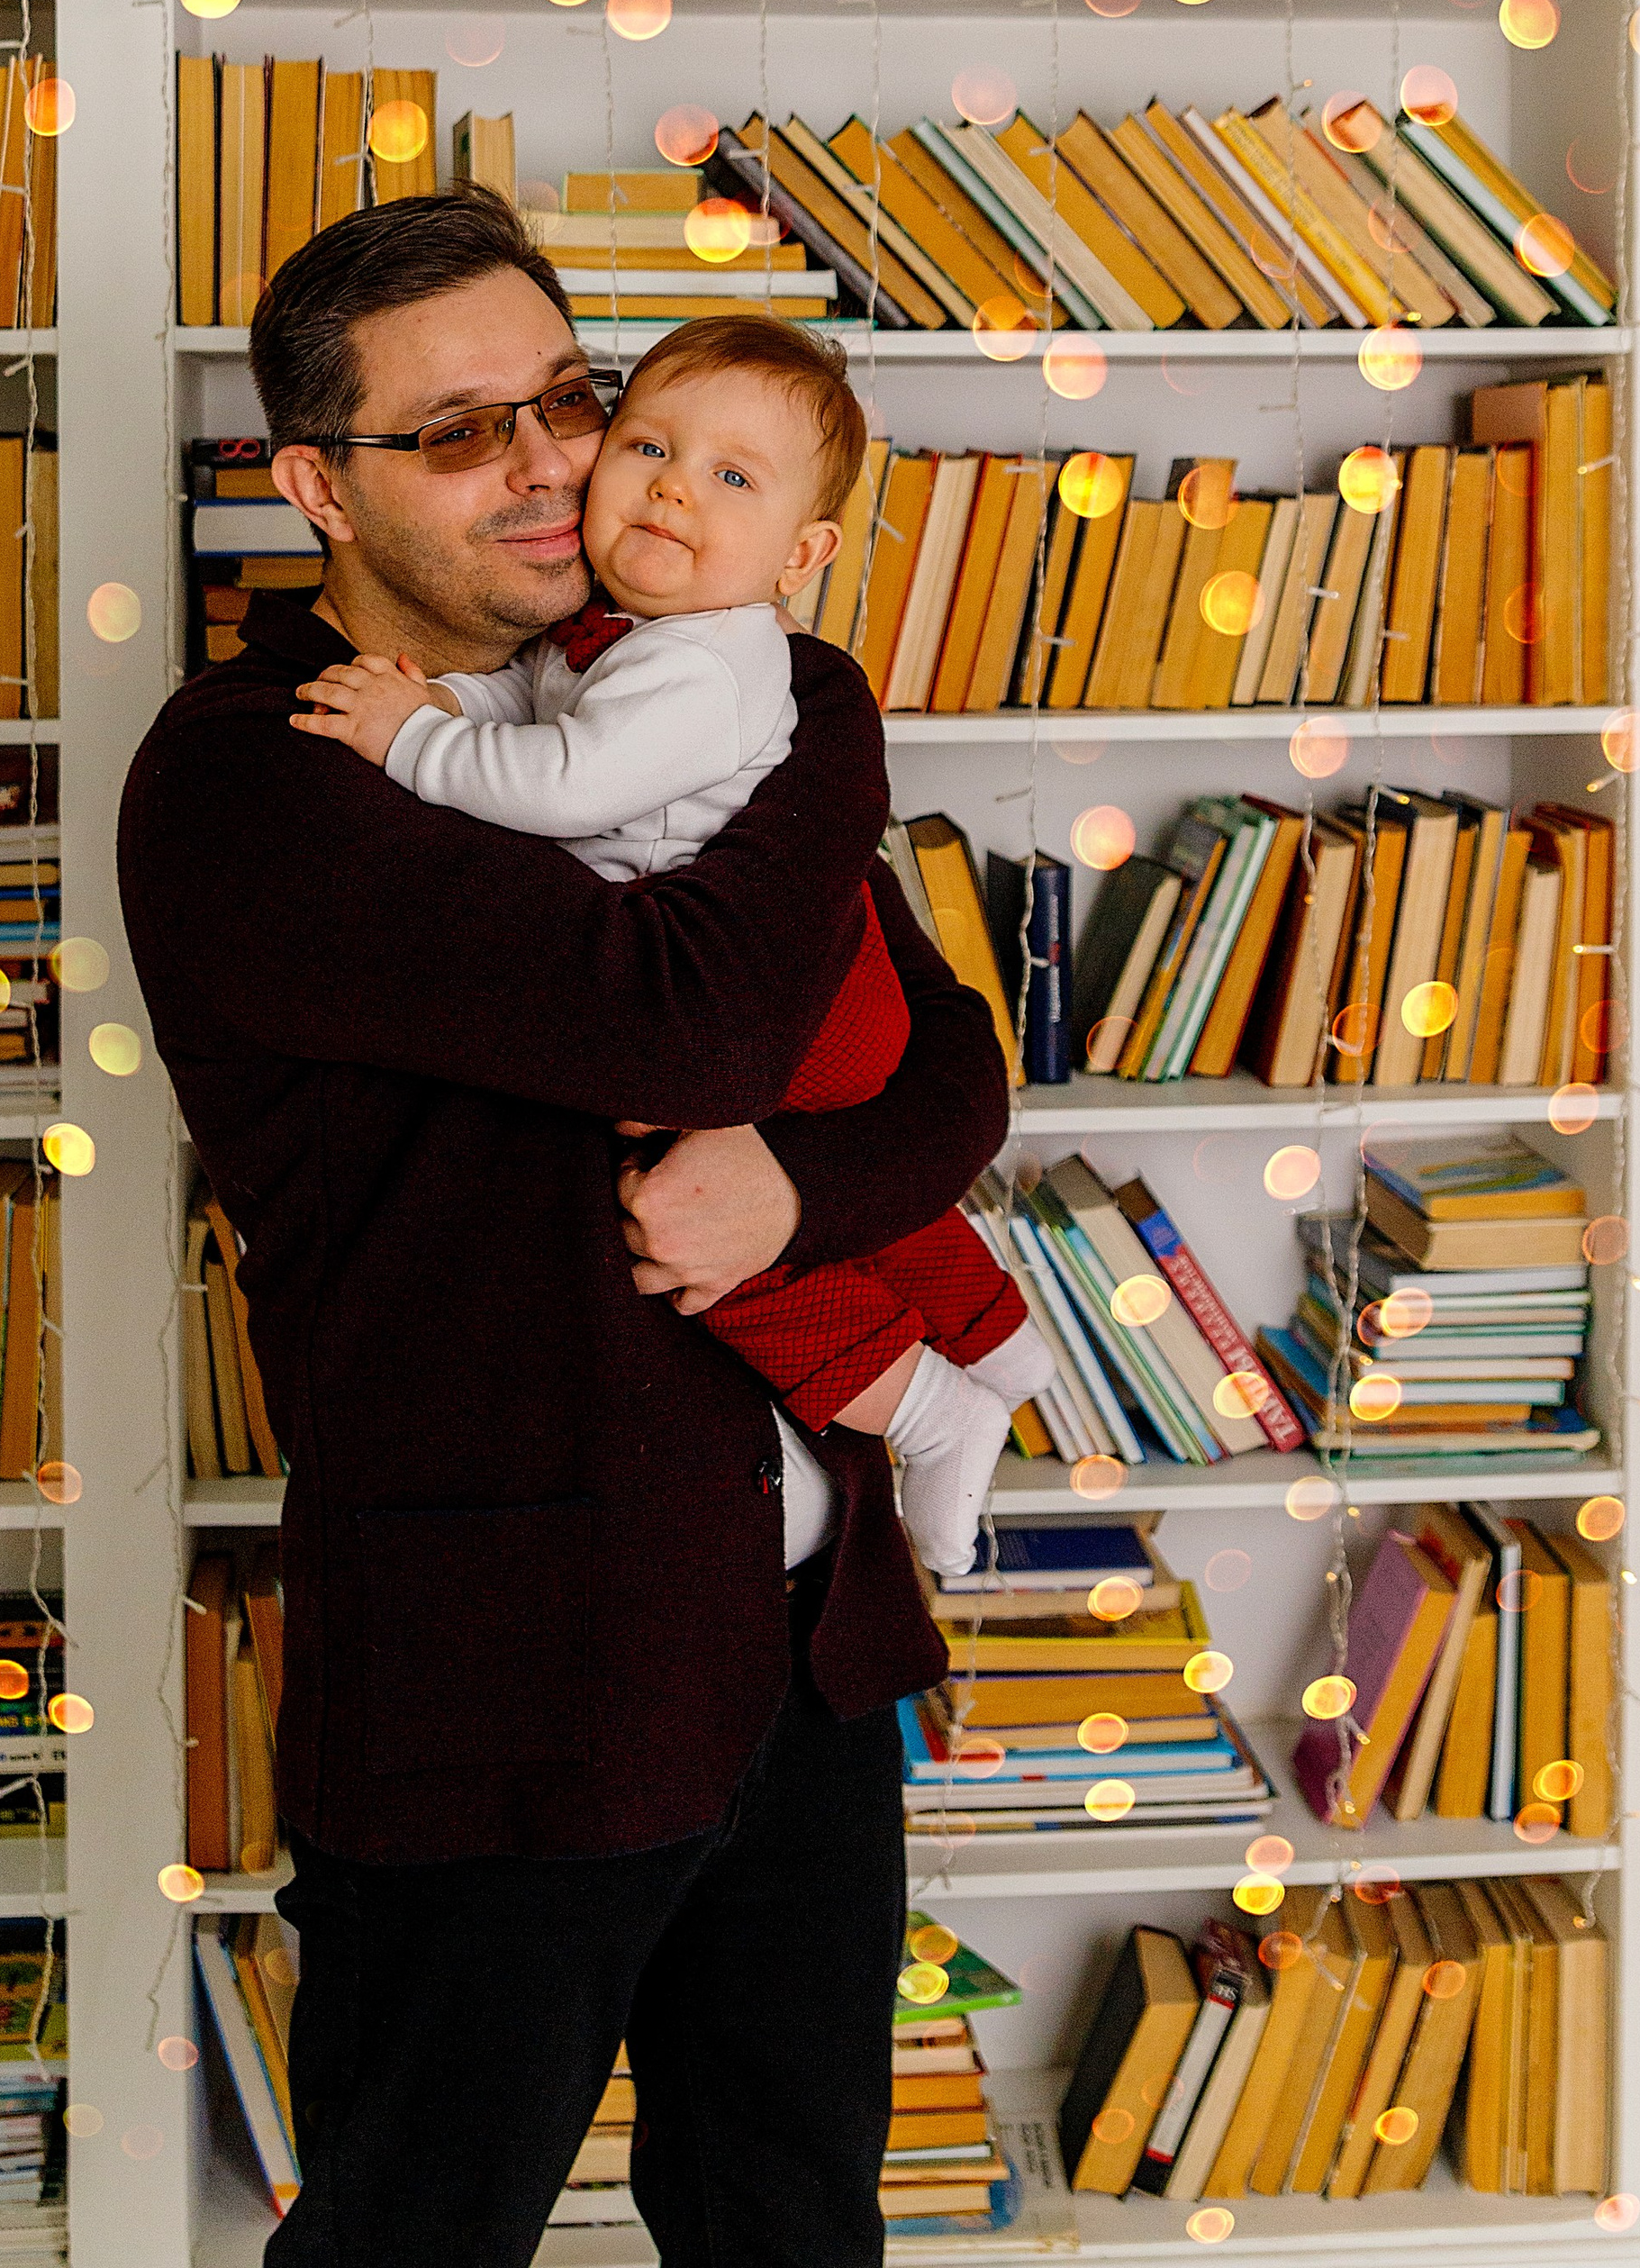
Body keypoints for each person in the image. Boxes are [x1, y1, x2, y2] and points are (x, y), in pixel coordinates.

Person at [115, 186, 1010, 2268]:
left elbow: (949, 1063)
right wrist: (825, 705)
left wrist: (793, 1180)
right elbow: (703, 1005)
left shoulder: (668, 705)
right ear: (312, 484)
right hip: (504, 1676)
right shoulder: (264, 779)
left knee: (792, 2226)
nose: (550, 465)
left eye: (569, 399)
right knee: (416, 2238)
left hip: (801, 1649)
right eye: (458, 430)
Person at [288, 311, 1053, 1577]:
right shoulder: (648, 651)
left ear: (803, 551)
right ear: (322, 483)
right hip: (614, 1554)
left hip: (800, 1015)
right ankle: (998, 1342)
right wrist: (433, 699)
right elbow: (530, 704)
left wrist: (410, 739)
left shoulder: (710, 669)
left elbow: (567, 788)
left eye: (568, 406)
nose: (647, 486)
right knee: (753, 1196)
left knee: (686, 1229)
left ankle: (928, 1404)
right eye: (647, 443)